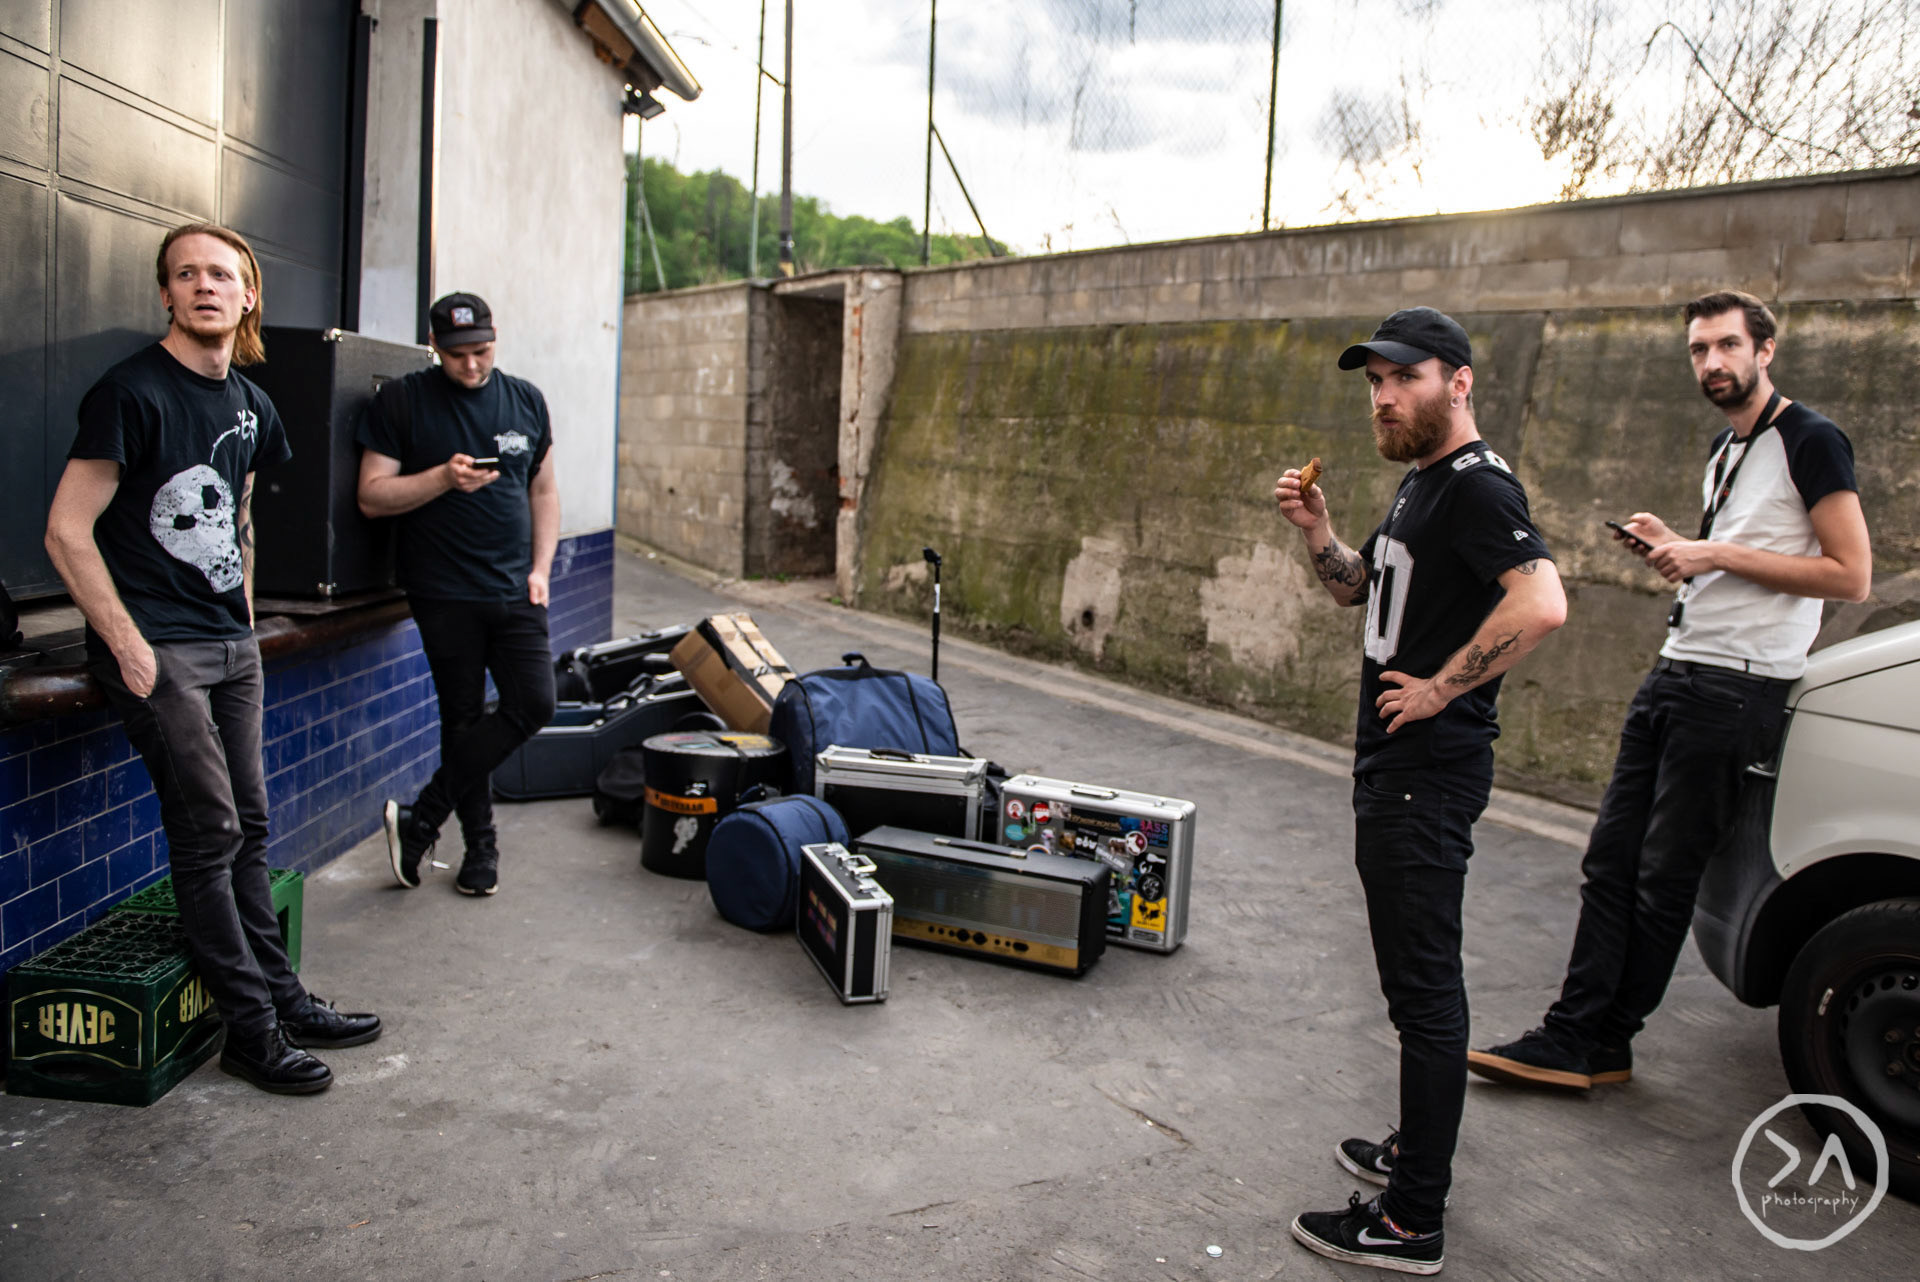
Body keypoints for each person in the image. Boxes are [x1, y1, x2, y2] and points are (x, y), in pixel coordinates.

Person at [1469, 290, 1872, 1092]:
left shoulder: (1811, 439)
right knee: (1609, 863)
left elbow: (1850, 574)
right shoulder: (1727, 449)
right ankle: (1575, 1034)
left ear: (1765, 350)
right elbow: (1739, 557)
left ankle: (1602, 1040)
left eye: (1727, 345)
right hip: (1677, 671)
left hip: (1736, 690)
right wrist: (1675, 549)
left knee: (1664, 877)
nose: (1712, 362)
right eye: (1698, 349)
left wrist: (1710, 553)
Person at [44, 222, 382, 1095]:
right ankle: (251, 1033)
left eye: (221, 275)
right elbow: (66, 531)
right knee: (210, 834)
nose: (205, 286)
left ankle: (283, 998)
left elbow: (239, 515)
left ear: (248, 294)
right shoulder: (129, 393)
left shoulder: (252, 404)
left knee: (250, 827)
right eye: (186, 273)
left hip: (232, 647)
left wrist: (247, 620)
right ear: (166, 293)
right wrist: (129, 646)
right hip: (160, 651)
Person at [1275, 307, 1568, 1274]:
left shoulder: (1477, 487)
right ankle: (1418, 1153)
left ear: (1460, 381)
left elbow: (1542, 601)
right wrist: (1318, 531)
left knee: (1426, 997)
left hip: (1425, 776)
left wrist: (1443, 687)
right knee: (1419, 988)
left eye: (1405, 377)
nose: (1385, 396)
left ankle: (1410, 1220)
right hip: (1398, 772)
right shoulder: (1424, 483)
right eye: (1375, 382)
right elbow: (1358, 588)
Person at [358, 292, 559, 896]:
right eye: (456, 354)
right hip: (443, 592)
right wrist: (443, 478)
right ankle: (480, 850)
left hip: (517, 588)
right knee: (463, 719)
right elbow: (371, 496)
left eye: (481, 351)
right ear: (433, 347)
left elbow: (543, 491)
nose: (471, 364)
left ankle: (422, 818)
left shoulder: (526, 400)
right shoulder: (402, 401)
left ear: (496, 340)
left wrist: (542, 567)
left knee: (535, 703)